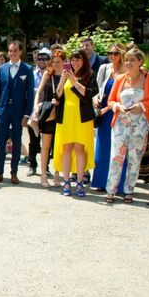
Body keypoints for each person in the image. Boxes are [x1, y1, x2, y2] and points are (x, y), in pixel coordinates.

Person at [104, 48, 149, 204]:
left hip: (140, 124)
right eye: (127, 60)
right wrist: (117, 106)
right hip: (120, 124)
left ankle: (129, 191)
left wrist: (141, 106)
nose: (128, 63)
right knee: (116, 157)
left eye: (132, 60)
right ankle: (111, 190)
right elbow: (110, 101)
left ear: (140, 62)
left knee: (134, 158)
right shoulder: (120, 79)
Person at [52, 49, 98, 197]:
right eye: (72, 60)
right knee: (66, 149)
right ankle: (66, 182)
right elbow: (58, 95)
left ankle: (79, 182)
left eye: (78, 59)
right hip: (65, 117)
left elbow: (88, 95)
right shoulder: (66, 74)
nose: (75, 62)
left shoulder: (89, 75)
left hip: (82, 118)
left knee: (79, 149)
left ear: (84, 60)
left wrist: (73, 81)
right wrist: (62, 81)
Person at [0, 41, 35, 185]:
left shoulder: (27, 69)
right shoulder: (1, 69)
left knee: (16, 142)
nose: (12, 53)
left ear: (20, 52)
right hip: (3, 111)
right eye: (10, 50)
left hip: (18, 112)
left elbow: (30, 95)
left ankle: (14, 172)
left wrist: (27, 115)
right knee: (0, 142)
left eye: (15, 50)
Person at [91, 43, 127, 192]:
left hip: (119, 110)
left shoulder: (126, 71)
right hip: (104, 112)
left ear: (122, 55)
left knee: (119, 148)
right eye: (110, 53)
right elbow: (96, 88)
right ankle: (101, 181)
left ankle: (118, 184)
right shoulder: (104, 68)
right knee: (103, 147)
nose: (112, 56)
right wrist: (95, 99)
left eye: (115, 54)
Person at [31, 49, 65, 188]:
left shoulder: (67, 75)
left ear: (64, 62)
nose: (56, 64)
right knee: (45, 146)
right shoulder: (47, 73)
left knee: (58, 147)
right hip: (47, 113)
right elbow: (38, 92)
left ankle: (57, 174)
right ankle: (43, 174)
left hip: (61, 114)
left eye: (59, 62)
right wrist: (35, 108)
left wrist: (64, 79)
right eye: (54, 62)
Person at [27, 47, 52, 176]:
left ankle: (45, 167)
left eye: (44, 58)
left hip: (48, 112)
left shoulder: (52, 74)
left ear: (49, 60)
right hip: (34, 111)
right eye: (39, 58)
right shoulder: (31, 73)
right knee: (33, 141)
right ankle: (32, 165)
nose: (41, 61)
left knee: (47, 142)